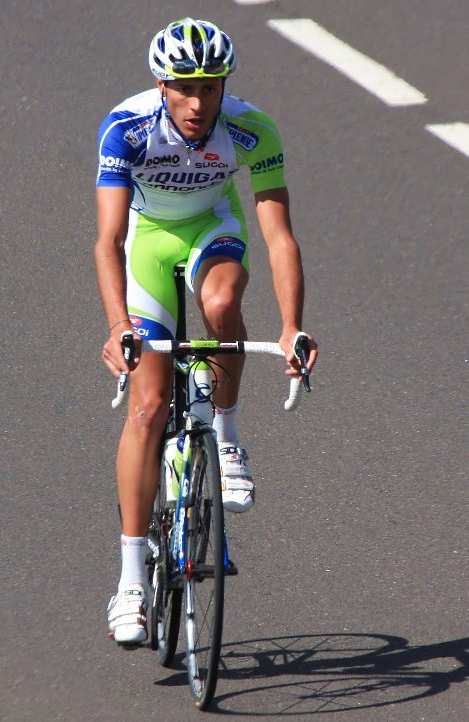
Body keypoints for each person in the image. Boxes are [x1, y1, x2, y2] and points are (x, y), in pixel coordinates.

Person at [94, 17, 317, 647]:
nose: (199, 103)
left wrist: (293, 325)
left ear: (225, 87)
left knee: (222, 304)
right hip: (146, 244)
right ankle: (132, 578)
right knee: (147, 406)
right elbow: (108, 239)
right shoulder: (126, 129)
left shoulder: (253, 128)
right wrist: (117, 327)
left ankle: (226, 435)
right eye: (186, 88)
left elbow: (278, 237)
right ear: (161, 85)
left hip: (211, 231)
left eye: (211, 88)